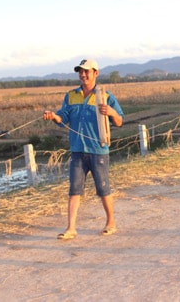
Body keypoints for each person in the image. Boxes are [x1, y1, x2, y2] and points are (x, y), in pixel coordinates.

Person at [43, 59, 124, 239]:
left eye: (87, 71)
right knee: (74, 189)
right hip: (77, 150)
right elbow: (63, 119)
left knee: (103, 188)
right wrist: (54, 116)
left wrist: (110, 112)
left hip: (98, 149)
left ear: (96, 73)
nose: (83, 75)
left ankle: (111, 222)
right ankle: (71, 228)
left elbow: (119, 121)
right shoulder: (71, 96)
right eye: (80, 71)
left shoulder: (105, 96)